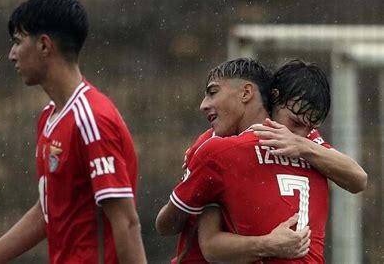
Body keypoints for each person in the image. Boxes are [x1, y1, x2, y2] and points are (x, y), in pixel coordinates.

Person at [0, 0, 146, 263]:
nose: (12, 54)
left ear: (43, 45)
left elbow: (127, 222)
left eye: (18, 41)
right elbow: (47, 212)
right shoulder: (50, 118)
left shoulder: (91, 119)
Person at [156, 58, 365, 263]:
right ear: (274, 100)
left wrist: (303, 147)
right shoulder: (217, 148)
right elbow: (207, 245)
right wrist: (268, 244)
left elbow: (359, 179)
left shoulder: (305, 141)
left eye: (213, 93)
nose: (300, 133)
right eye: (294, 122)